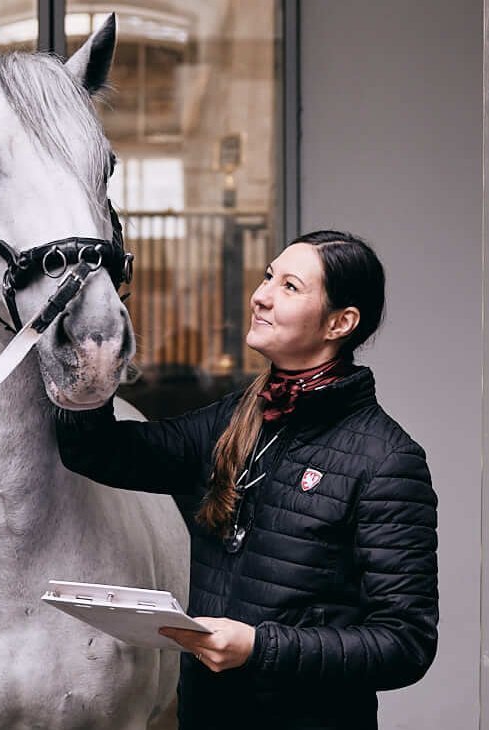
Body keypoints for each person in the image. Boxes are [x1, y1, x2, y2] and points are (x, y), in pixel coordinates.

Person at [55, 230, 438, 729]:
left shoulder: (387, 459)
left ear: (340, 322)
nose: (261, 295)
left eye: (291, 287)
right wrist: (92, 352)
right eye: (267, 277)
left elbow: (404, 643)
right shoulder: (236, 418)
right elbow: (100, 452)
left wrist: (259, 647)